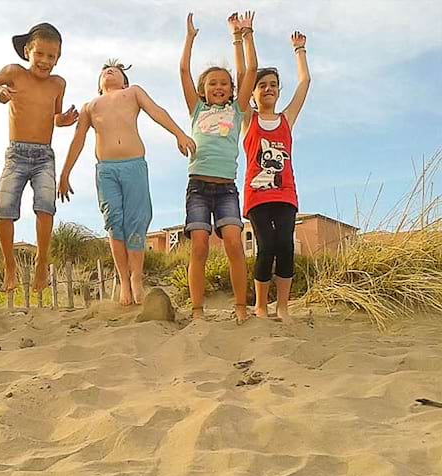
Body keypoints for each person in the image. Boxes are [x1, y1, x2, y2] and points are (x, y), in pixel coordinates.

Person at [57, 60, 196, 305]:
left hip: (134, 165)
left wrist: (179, 134)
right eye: (104, 71)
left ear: (124, 80)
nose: (109, 71)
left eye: (115, 70)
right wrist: (65, 173)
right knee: (114, 222)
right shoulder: (90, 106)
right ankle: (123, 280)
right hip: (107, 170)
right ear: (100, 84)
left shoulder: (132, 93)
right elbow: (78, 140)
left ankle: (136, 278)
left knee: (136, 221)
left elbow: (156, 111)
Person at [0, 23, 78, 292]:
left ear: (58, 57)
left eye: (52, 56)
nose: (45, 61)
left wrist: (64, 120)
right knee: (3, 209)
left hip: (44, 155)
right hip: (17, 153)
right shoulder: (13, 73)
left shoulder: (59, 84)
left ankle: (41, 262)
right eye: (40, 54)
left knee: (45, 206)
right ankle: (10, 264)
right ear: (28, 51)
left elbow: (54, 117)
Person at [179, 12, 258, 323]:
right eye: (213, 83)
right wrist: (190, 38)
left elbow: (250, 69)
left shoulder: (237, 111)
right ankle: (198, 311)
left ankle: (240, 306)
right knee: (199, 245)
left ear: (231, 89)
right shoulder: (197, 109)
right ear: (203, 89)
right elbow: (183, 70)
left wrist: (244, 35)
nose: (219, 86)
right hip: (198, 187)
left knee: (235, 243)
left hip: (226, 189)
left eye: (224, 83)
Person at [242, 31, 311, 323]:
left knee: (284, 245)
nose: (268, 89)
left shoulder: (286, 119)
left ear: (278, 91)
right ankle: (260, 305)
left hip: (285, 194)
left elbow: (305, 83)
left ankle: (282, 307)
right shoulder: (248, 120)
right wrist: (245, 37)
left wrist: (299, 50)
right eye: (262, 86)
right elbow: (243, 77)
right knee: (266, 245)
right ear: (254, 94)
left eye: (273, 85)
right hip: (257, 196)